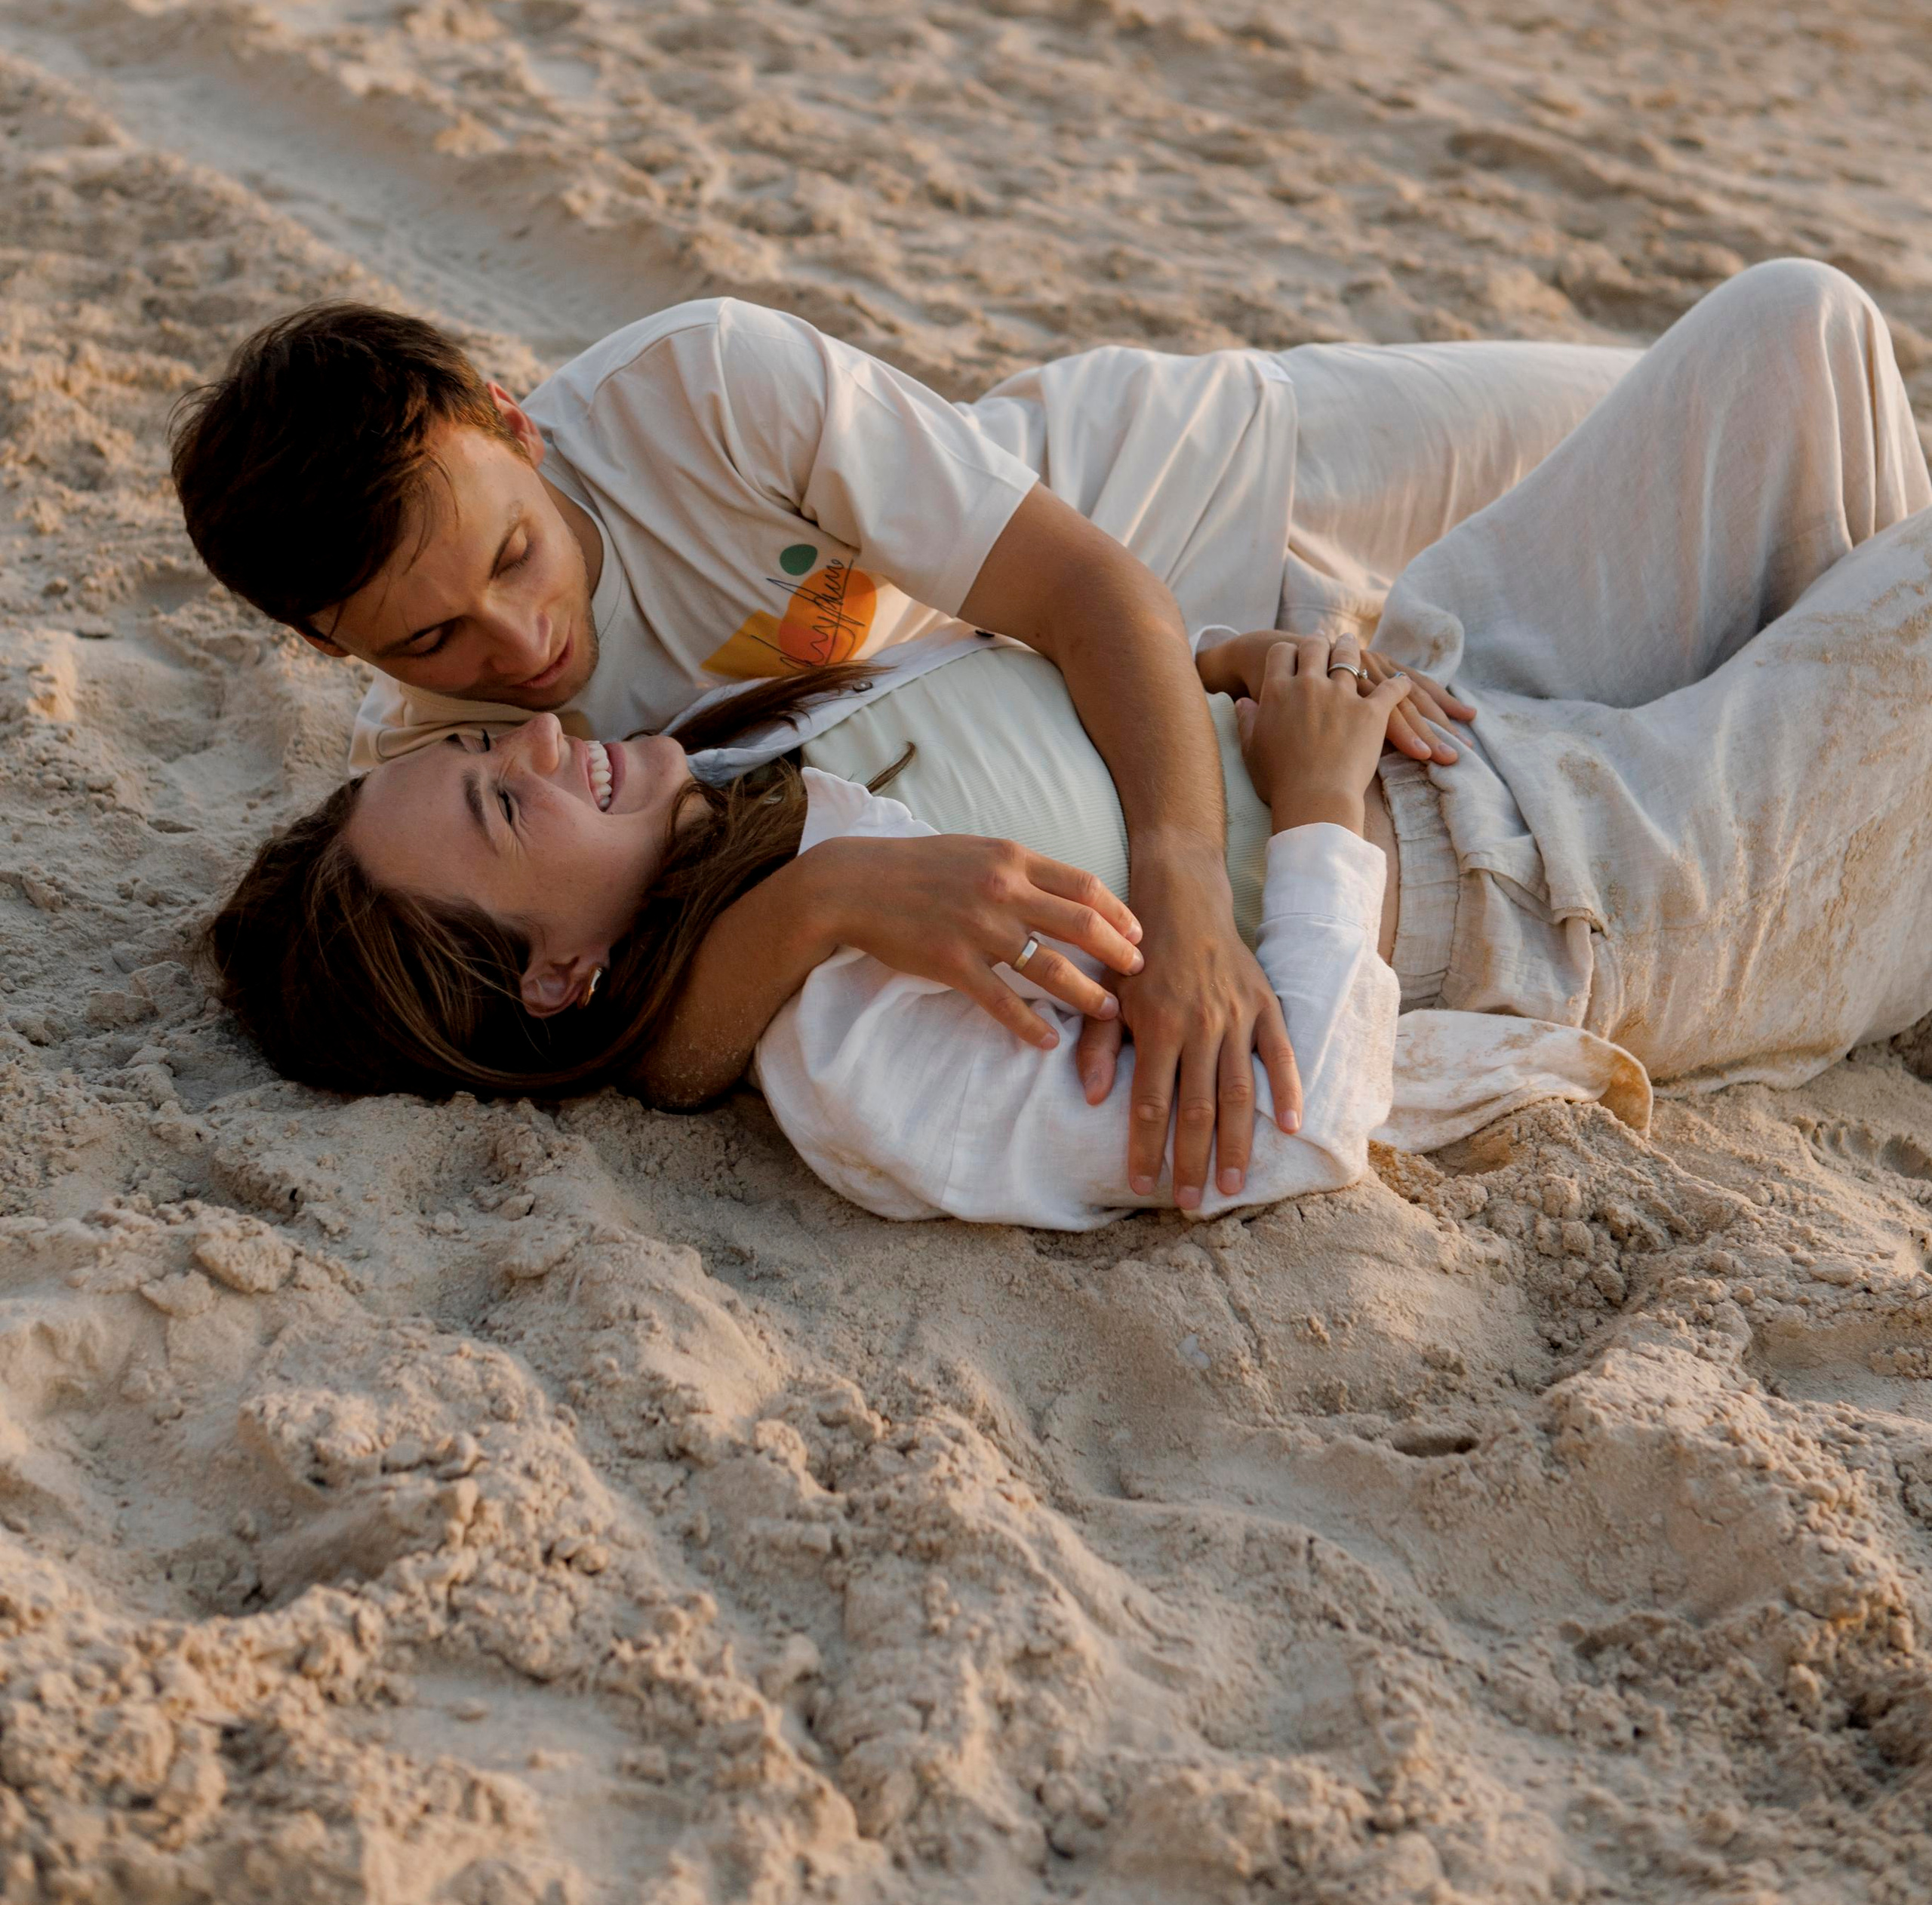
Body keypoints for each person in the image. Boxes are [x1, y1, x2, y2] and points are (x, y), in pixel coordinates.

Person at [205, 260, 1932, 1229]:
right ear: (342, 647)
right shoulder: (719, 916)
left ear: (514, 423)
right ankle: (1847, 859)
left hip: (1214, 526)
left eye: (508, 564)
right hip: (1502, 855)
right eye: (443, 665)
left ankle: (1871, 862)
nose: (526, 684)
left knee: (1800, 331)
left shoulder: (698, 455)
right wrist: (1312, 818)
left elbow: (1058, 617)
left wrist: (1227, 687)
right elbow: (601, 1026)